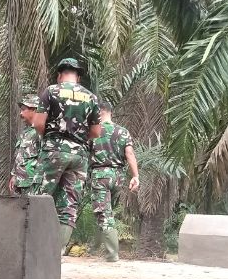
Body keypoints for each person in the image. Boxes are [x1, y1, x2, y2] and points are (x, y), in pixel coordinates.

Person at [34, 56, 101, 251]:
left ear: (59, 75)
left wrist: (52, 137)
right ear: (78, 77)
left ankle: (34, 246)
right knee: (69, 204)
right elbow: (96, 132)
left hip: (54, 150)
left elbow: (38, 123)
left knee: (38, 197)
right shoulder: (91, 97)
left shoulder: (51, 91)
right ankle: (56, 252)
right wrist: (77, 138)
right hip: (79, 155)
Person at [89, 100, 140, 262]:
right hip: (117, 176)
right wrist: (135, 176)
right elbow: (130, 154)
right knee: (106, 212)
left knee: (104, 213)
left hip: (100, 174)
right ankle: (94, 248)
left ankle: (112, 255)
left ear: (100, 112)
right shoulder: (123, 131)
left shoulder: (93, 130)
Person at [10, 92, 46, 195]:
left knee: (33, 210)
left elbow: (45, 158)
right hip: (20, 183)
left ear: (34, 109)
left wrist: (39, 183)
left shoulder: (41, 131)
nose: (20, 113)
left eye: (23, 109)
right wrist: (14, 175)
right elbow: (19, 156)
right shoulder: (26, 132)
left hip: (33, 184)